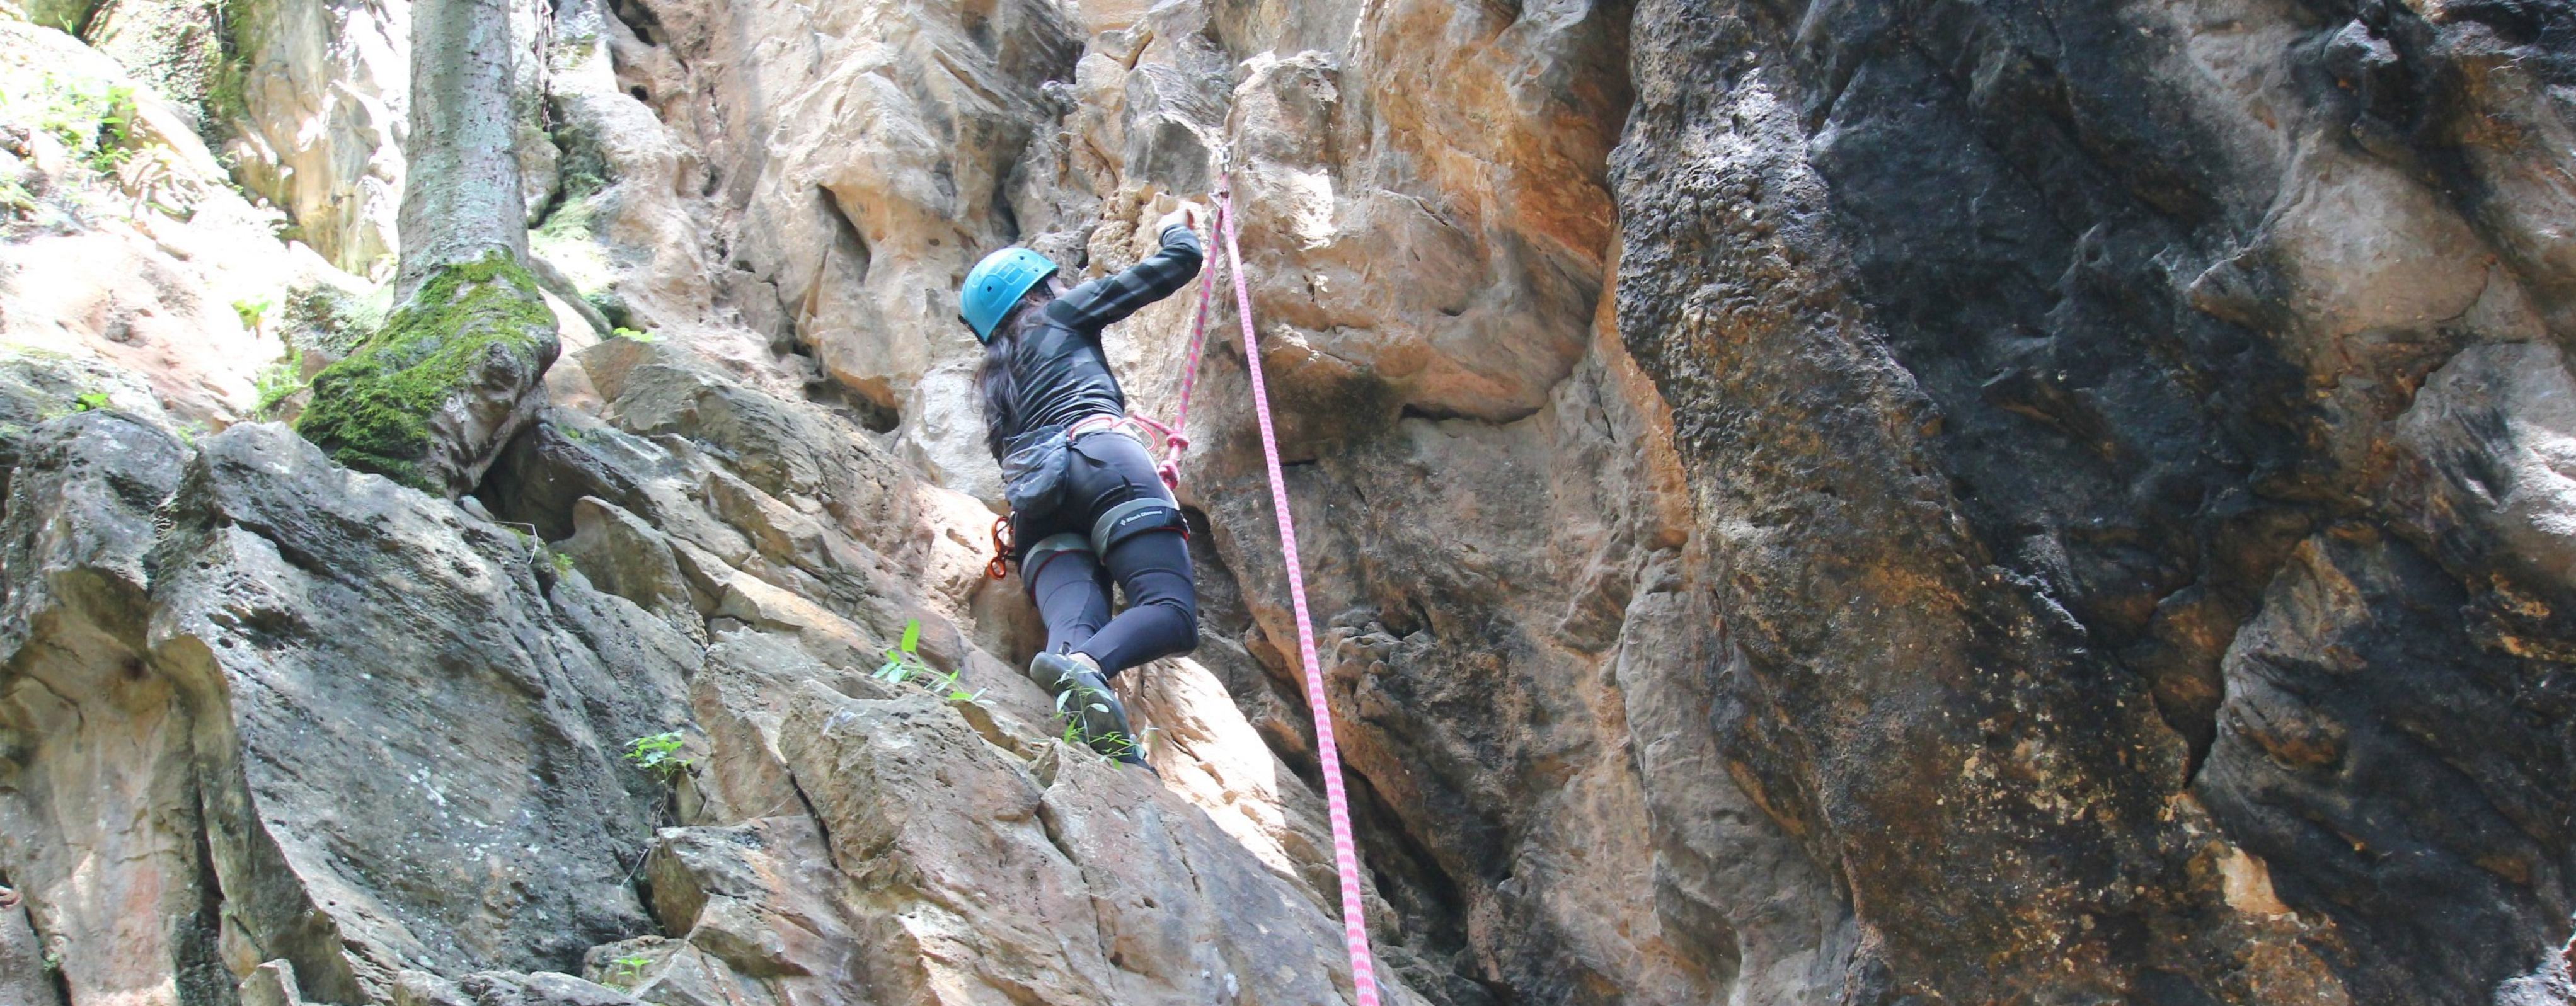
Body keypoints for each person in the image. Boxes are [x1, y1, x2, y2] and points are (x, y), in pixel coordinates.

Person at [960, 202, 1208, 767]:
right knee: (1170, 611)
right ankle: (1086, 668)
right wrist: (1176, 225)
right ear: (1040, 288)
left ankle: (1094, 731)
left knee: (1073, 627)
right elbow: (1180, 261)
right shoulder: (1057, 316)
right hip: (1102, 462)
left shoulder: (998, 391)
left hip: (1037, 515)